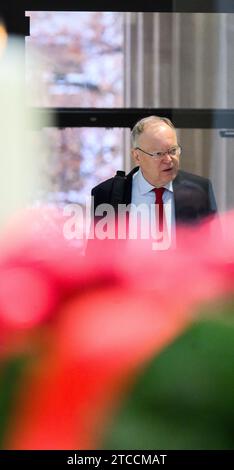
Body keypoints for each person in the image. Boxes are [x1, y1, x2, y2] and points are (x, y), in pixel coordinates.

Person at [90, 116, 217, 247]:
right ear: (137, 156)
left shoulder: (199, 190)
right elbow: (96, 258)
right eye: (158, 154)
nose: (168, 159)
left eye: (173, 151)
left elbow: (215, 251)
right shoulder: (107, 194)